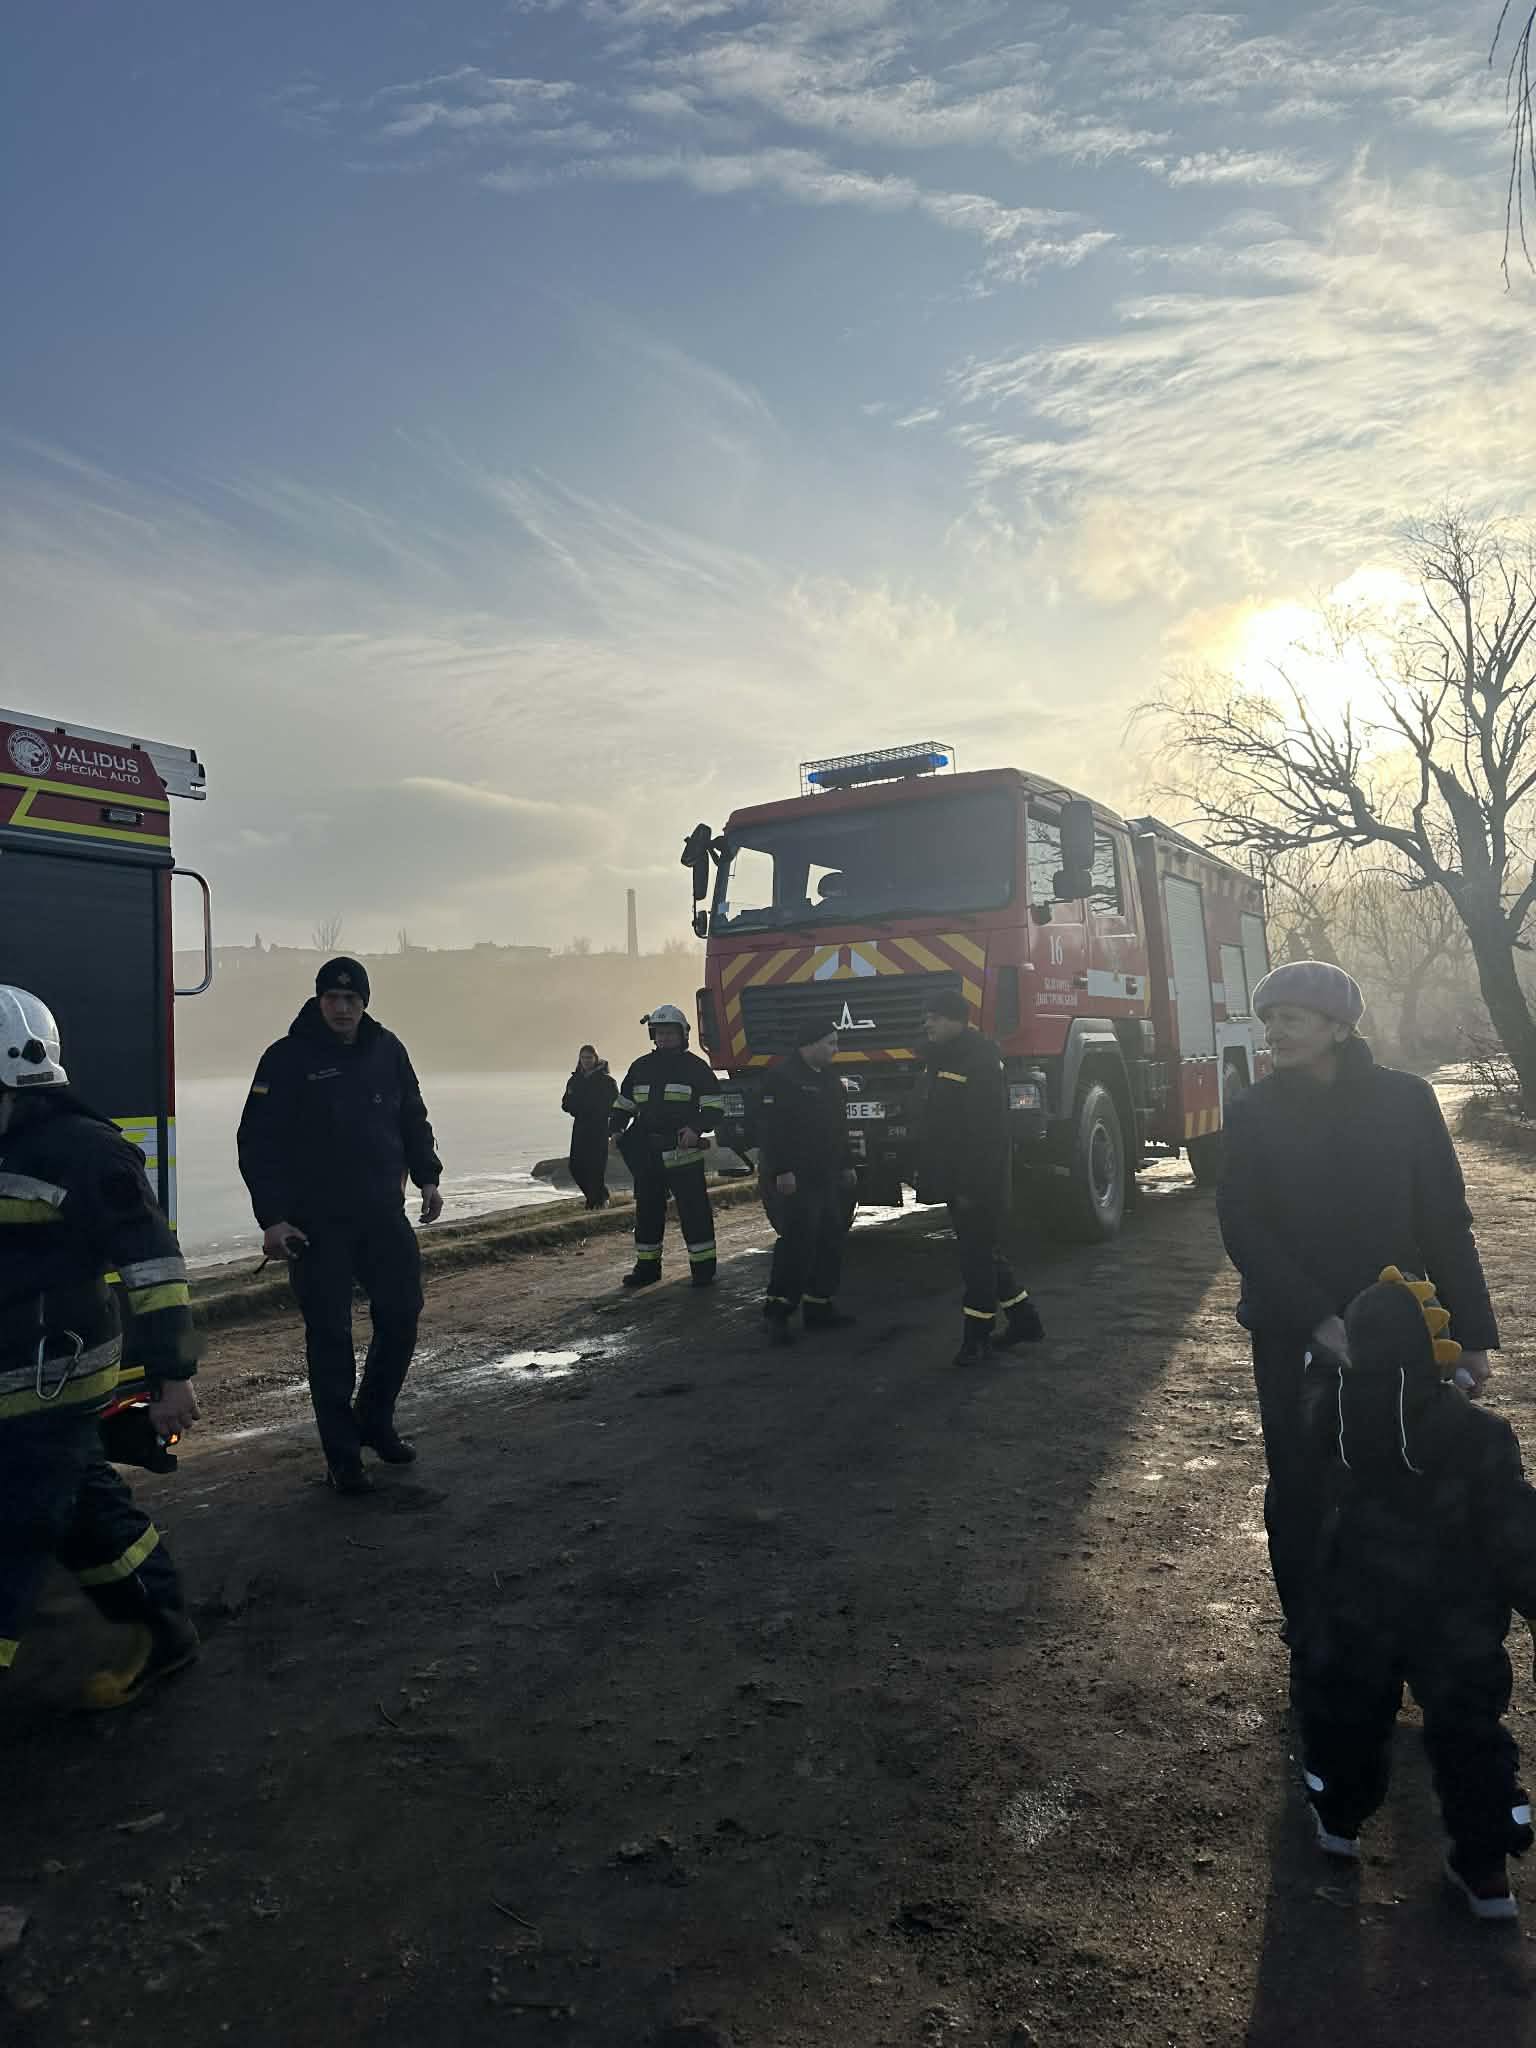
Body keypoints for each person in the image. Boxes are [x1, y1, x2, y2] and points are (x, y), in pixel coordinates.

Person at [1217, 960, 1498, 1631]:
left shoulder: (1406, 1101)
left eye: (1290, 1019)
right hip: (1290, 1328)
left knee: (1399, 1465)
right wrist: (1316, 1318)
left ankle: (1393, 1617)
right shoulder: (1252, 1111)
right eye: (1269, 1021)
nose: (1274, 1034)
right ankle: (1309, 1623)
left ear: (1338, 1028)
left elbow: (1444, 1219)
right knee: (1297, 1472)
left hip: (1400, 1325)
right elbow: (1244, 1228)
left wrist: (1475, 1338)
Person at [1292, 1271, 1536, 1920]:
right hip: (1457, 1623)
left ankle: (1337, 1822)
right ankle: (1486, 1872)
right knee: (1470, 1736)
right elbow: (1517, 1532)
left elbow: (1307, 1494)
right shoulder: (1480, 1438)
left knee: (1347, 1716)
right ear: (1436, 1353)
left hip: (1359, 1609)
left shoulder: (1331, 1419)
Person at [0, 986, 201, 1708]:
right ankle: (166, 1625)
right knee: (83, 1510)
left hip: (50, 1377)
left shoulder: (86, 1153)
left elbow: (153, 1263)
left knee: (13, 1530)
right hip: (21, 1378)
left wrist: (173, 1373)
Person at [237, 957, 444, 1496]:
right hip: (316, 1227)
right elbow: (258, 1144)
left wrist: (428, 1178)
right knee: (330, 1338)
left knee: (402, 1315)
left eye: (352, 999)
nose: (343, 1007)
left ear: (365, 1002)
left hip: (382, 1216)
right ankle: (342, 1457)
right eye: (333, 998)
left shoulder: (387, 1050)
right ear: (319, 1001)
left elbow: (412, 1116)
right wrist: (273, 1219)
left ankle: (374, 1419)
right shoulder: (285, 1059)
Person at [917, 991, 1044, 1367]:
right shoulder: (944, 1058)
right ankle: (1025, 1321)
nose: (928, 1025)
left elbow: (988, 1134)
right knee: (984, 1255)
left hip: (978, 1183)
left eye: (935, 1018)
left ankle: (977, 1338)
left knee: (976, 1261)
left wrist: (972, 1186)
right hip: (959, 1180)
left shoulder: (981, 1061)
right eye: (927, 1018)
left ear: (959, 1021)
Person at [610, 1005, 725, 1289]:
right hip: (647, 1155)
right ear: (653, 1035)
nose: (664, 1038)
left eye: (670, 1033)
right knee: (647, 1212)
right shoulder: (640, 1067)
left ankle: (703, 1270)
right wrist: (615, 1128)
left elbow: (714, 1107)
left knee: (694, 1212)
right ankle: (647, 1268)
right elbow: (625, 1103)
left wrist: (696, 1128)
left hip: (682, 1152)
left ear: (682, 1035)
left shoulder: (696, 1068)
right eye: (660, 1033)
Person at [759, 1022, 859, 1347]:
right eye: (830, 1043)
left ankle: (819, 1307)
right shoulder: (782, 1078)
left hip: (827, 1175)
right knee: (798, 1243)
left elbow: (838, 1127)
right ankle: (778, 1312)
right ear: (809, 1044)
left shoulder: (828, 1079)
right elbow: (771, 1131)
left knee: (831, 1238)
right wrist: (782, 1170)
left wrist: (846, 1164)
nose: (836, 1049)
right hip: (797, 1178)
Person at [562, 1046, 617, 1209]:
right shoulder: (574, 1080)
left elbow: (614, 1104)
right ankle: (600, 1196)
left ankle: (594, 1202)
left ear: (596, 1059)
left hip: (599, 1128)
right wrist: (577, 1108)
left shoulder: (607, 1081)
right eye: (583, 1058)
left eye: (589, 1058)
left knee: (596, 1167)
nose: (586, 1061)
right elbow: (566, 1103)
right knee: (576, 1166)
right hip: (580, 1127)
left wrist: (609, 1124)